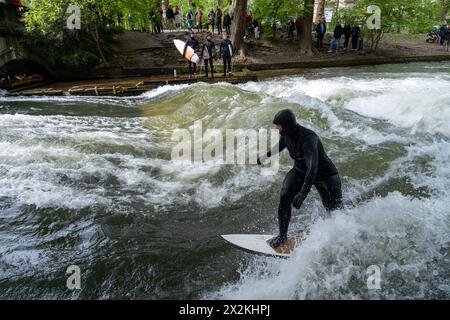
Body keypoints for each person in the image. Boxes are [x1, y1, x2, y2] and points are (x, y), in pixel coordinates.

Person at [258, 109, 344, 249]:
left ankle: (342, 237)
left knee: (335, 210)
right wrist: (266, 156)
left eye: (278, 126)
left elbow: (313, 168)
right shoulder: (287, 134)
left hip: (325, 175)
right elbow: (281, 145)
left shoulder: (308, 139)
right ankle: (282, 236)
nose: (276, 129)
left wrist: (303, 193)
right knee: (285, 196)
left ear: (286, 125)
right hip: (300, 170)